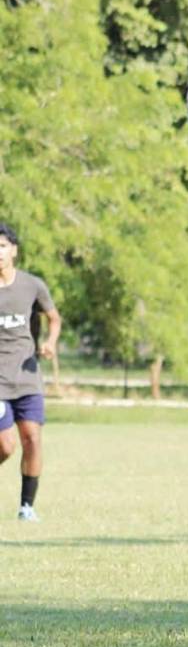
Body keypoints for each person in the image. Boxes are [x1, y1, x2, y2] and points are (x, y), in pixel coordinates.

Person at [0, 222, 61, 523]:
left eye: (2, 246)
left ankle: (27, 506)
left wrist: (49, 343)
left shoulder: (32, 285)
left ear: (13, 250)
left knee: (32, 439)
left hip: (27, 377)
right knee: (5, 445)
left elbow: (54, 318)